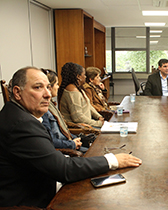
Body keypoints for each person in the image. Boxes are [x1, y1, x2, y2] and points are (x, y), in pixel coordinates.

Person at [0, 67, 142, 208]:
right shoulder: (22, 125)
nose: (48, 94)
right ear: (17, 92)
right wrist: (113, 160)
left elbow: (47, 157)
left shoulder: (17, 114)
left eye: (48, 87)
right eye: (38, 87)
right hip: (33, 203)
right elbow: (63, 170)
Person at [41, 69, 86, 152]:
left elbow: (63, 130)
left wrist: (75, 139)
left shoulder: (51, 105)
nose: (58, 87)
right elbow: (51, 141)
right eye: (57, 84)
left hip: (69, 143)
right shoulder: (43, 111)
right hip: (65, 149)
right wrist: (72, 144)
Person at [58, 62, 104, 128]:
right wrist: (98, 123)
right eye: (84, 75)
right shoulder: (72, 92)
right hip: (80, 129)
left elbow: (88, 105)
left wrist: (99, 116)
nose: (85, 77)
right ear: (78, 77)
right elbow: (78, 117)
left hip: (88, 126)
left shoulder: (78, 88)